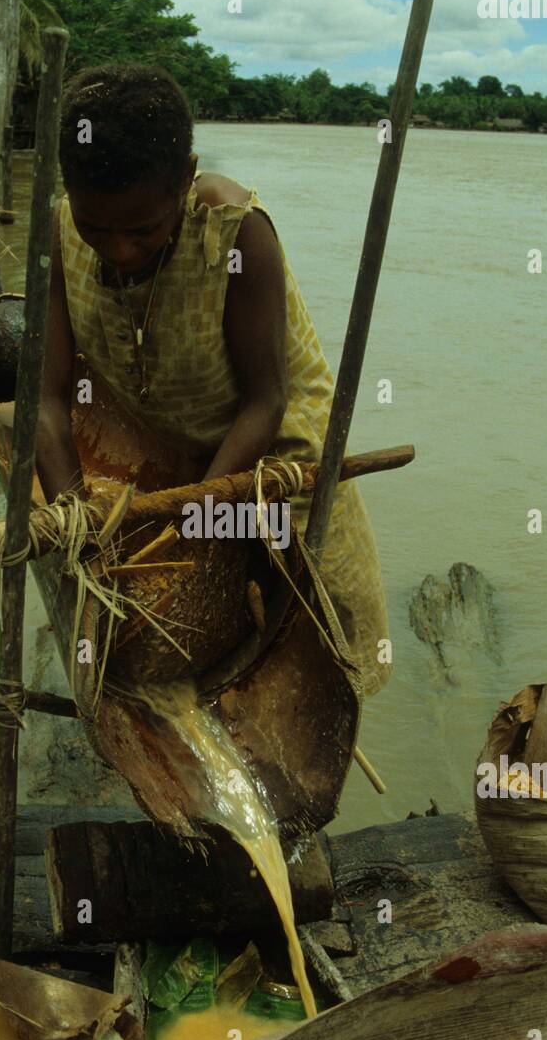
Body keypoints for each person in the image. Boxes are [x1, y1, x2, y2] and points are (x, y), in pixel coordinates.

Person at [36, 63, 390, 694]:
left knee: (308, 655)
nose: (117, 250)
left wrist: (192, 526)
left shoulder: (236, 235)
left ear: (187, 177)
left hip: (276, 463)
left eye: (143, 229)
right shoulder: (60, 228)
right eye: (98, 228)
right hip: (173, 449)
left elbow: (265, 402)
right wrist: (74, 526)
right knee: (158, 625)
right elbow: (47, 398)